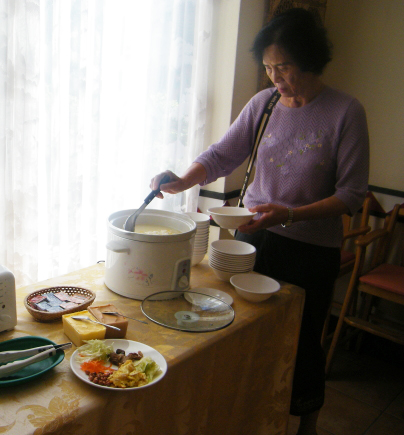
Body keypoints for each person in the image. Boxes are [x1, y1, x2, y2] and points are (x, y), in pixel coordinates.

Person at [150, 8, 369, 435]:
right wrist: (181, 181)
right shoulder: (265, 104)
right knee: (247, 332)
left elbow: (352, 194)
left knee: (302, 341)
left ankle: (307, 424)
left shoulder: (346, 111)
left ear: (309, 59)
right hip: (253, 241)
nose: (275, 78)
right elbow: (221, 155)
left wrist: (288, 215)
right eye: (268, 68)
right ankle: (253, 415)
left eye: (283, 67)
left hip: (310, 249)